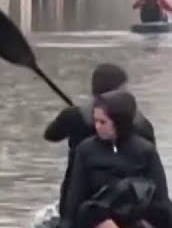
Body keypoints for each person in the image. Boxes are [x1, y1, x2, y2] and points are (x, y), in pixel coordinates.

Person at [56, 90, 172, 228]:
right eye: (95, 121)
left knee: (157, 209)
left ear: (119, 123)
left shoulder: (145, 150)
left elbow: (161, 194)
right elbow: (75, 192)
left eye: (103, 122)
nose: (97, 126)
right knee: (88, 210)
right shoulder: (85, 150)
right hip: (99, 224)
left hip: (136, 222)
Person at [44, 64, 156, 207]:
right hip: (127, 203)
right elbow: (151, 172)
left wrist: (68, 118)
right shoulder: (143, 124)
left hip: (76, 200)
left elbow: (50, 135)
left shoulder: (74, 115)